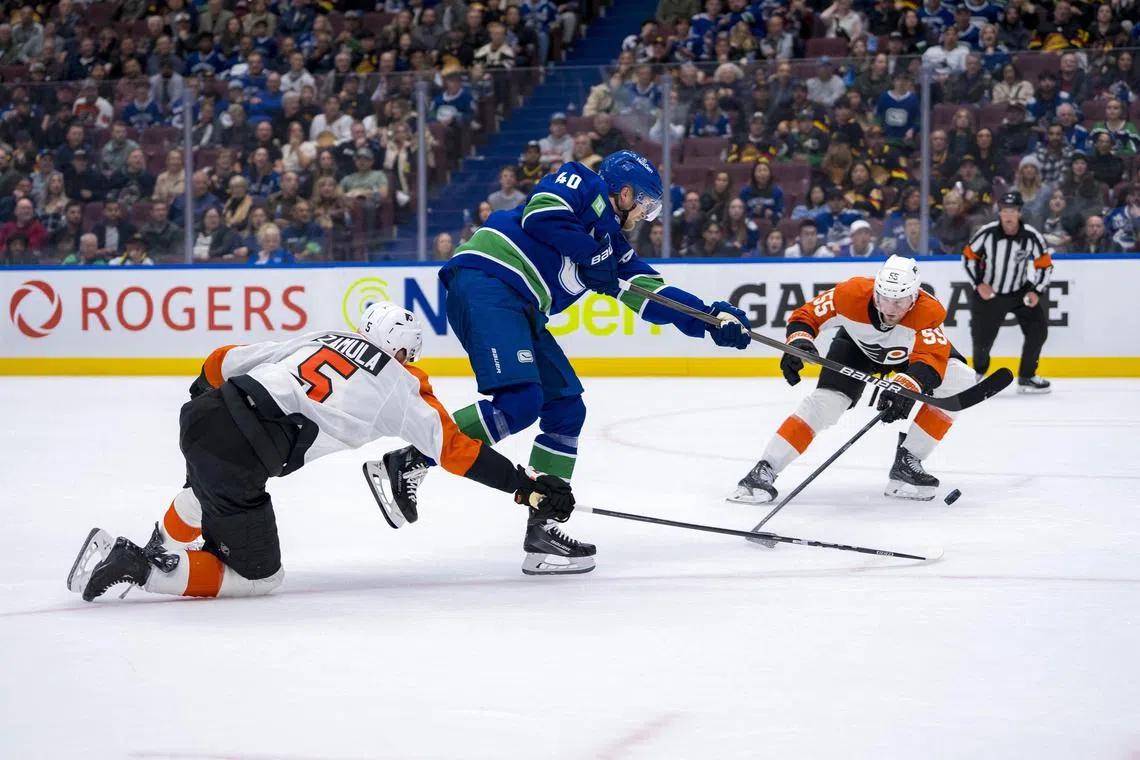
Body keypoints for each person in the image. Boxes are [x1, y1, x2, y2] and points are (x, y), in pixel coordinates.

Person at [379, 150, 752, 575]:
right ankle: (411, 458)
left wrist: (709, 319)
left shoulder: (615, 250)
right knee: (519, 400)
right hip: (489, 280)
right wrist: (592, 256)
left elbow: (653, 294)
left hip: (522, 307)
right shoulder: (583, 183)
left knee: (566, 408)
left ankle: (544, 528)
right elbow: (541, 213)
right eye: (645, 205)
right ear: (625, 194)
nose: (645, 216)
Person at [67, 302, 576, 602]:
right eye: (410, 353)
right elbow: (459, 451)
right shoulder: (402, 384)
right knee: (261, 578)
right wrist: (527, 490)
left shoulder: (325, 337)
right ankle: (134, 562)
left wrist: (207, 407)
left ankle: (164, 539)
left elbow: (222, 360)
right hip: (245, 453)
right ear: (401, 350)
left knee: (206, 491)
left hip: (204, 414)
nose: (410, 361)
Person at [730, 256, 977, 503]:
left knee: (960, 378)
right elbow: (806, 316)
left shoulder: (929, 311)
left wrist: (907, 386)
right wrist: (798, 342)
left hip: (909, 355)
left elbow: (930, 357)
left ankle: (908, 461)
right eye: (884, 299)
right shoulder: (849, 293)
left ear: (914, 297)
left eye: (900, 302)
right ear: (875, 292)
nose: (890, 310)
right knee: (824, 404)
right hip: (856, 348)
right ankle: (765, 469)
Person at [963, 191, 1054, 394]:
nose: (1008, 215)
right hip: (990, 292)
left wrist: (1036, 290)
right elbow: (968, 257)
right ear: (999, 213)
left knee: (1038, 330)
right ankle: (978, 373)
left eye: (1012, 210)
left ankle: (1027, 376)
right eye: (1005, 210)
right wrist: (978, 283)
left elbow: (1045, 265)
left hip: (1019, 291)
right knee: (981, 341)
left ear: (1020, 213)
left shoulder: (1031, 236)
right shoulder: (987, 233)